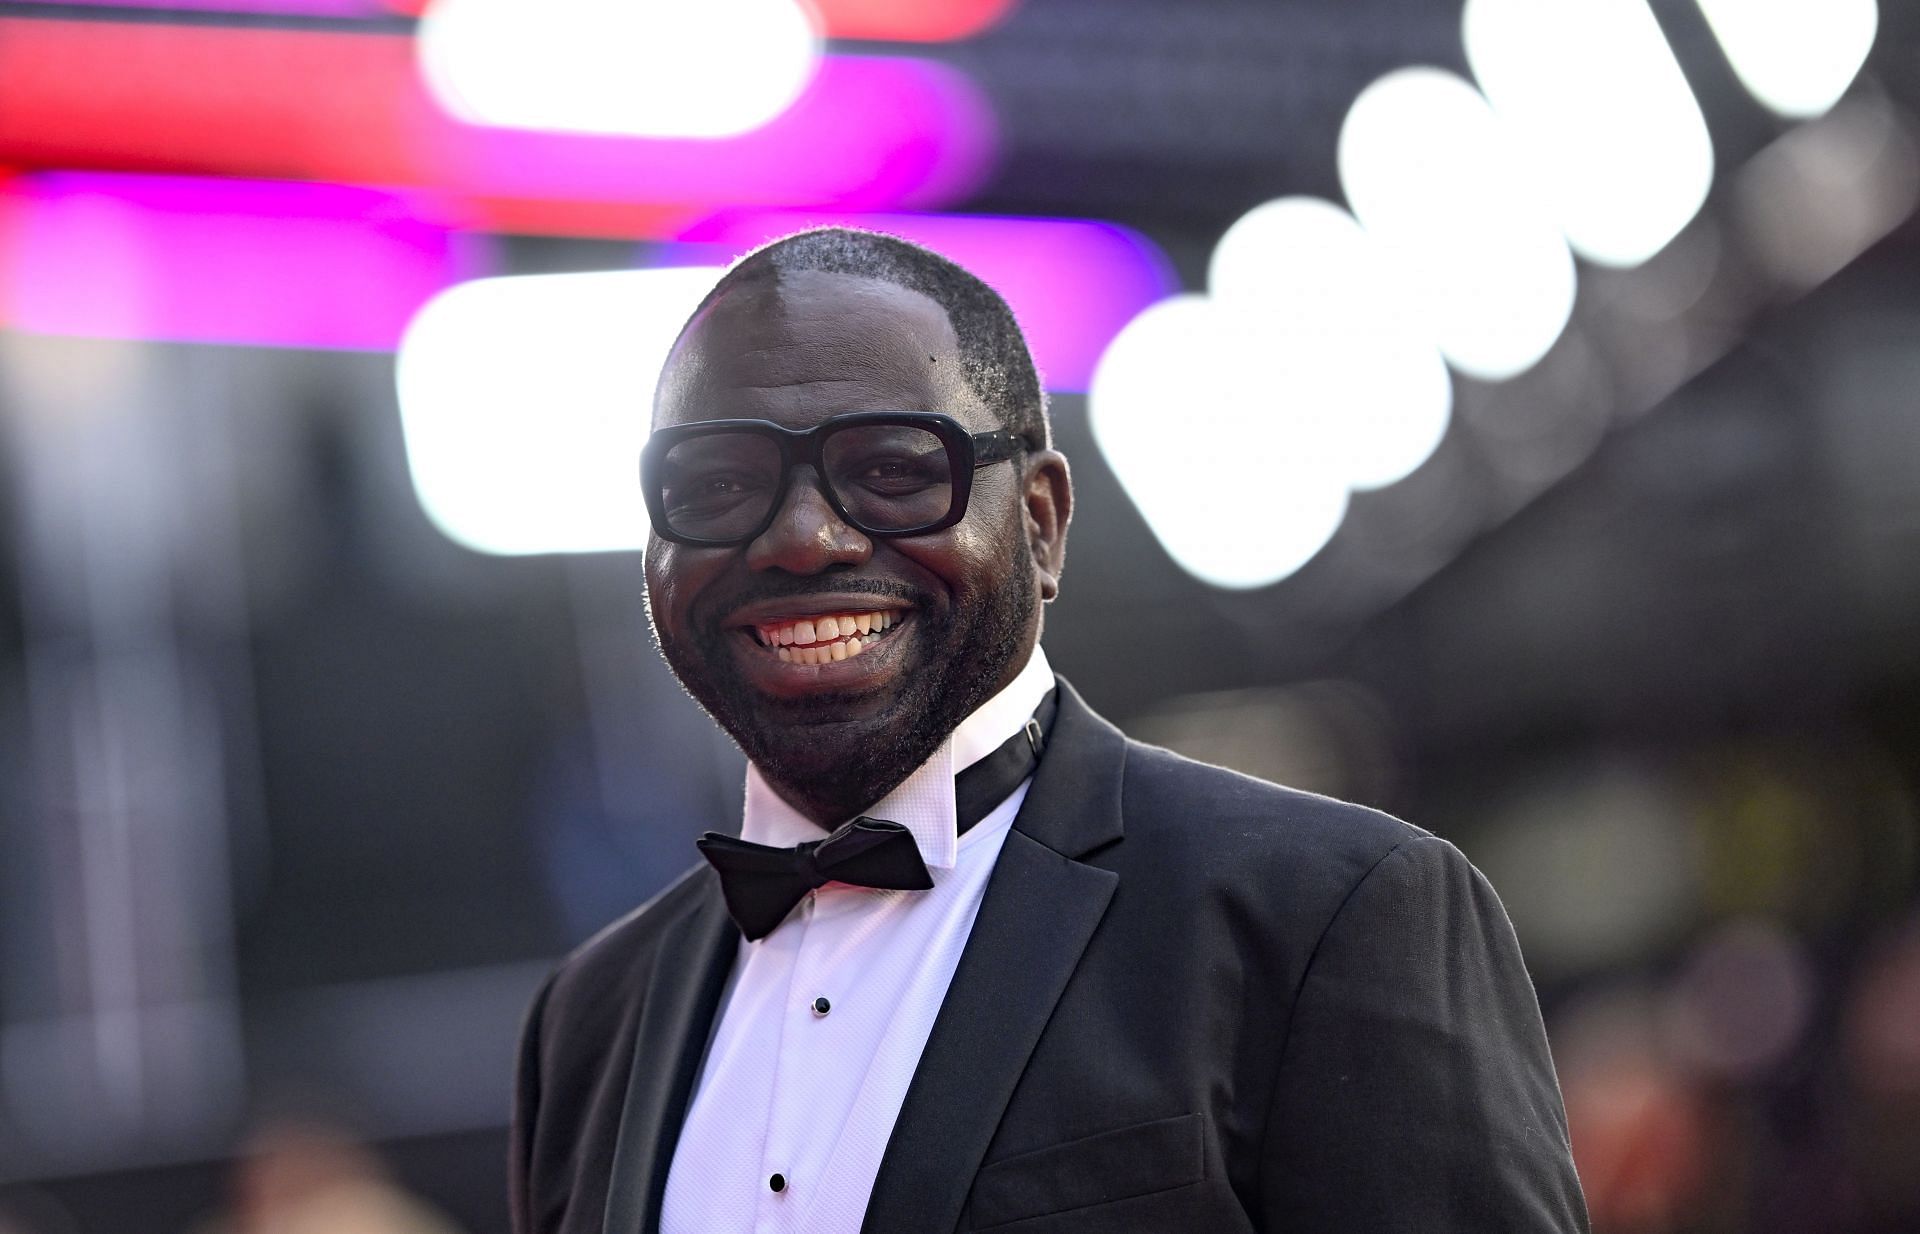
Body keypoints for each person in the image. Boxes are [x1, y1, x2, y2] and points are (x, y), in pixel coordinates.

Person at [508, 228, 1590, 1234]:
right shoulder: (589, 1019)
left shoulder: (1329, 916)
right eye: (719, 482)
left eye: (892, 469)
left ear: (1039, 521)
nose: (801, 537)